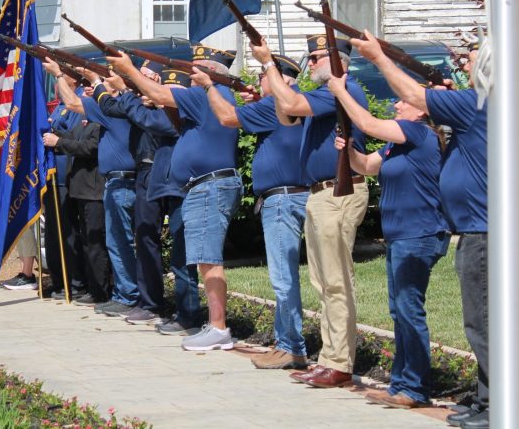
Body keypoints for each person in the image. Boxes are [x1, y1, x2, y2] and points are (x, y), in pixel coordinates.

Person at [351, 32, 519, 429]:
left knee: (483, 322)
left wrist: (378, 57)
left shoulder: (481, 104)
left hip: (486, 228)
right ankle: (487, 402)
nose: (465, 62)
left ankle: (501, 408)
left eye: (472, 57)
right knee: (484, 318)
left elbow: (415, 97)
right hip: (483, 226)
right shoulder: (495, 106)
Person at [253, 35, 369, 389]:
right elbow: (287, 114)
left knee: (336, 282)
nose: (310, 62)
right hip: (321, 192)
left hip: (340, 190)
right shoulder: (327, 93)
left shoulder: (339, 90)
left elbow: (291, 102)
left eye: (317, 56)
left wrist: (270, 64)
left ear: (337, 61)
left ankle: (339, 362)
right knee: (324, 282)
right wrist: (273, 79)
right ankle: (329, 358)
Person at [110, 45, 242, 352]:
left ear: (212, 73)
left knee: (208, 260)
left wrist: (128, 72)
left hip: (209, 185)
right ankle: (214, 324)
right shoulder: (214, 98)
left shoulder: (206, 96)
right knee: (205, 259)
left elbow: (157, 97)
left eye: (197, 68)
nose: (191, 74)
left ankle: (218, 327)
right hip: (206, 184)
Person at [328, 72, 448, 409]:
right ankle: (401, 385)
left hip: (419, 233)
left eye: (403, 101)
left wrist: (341, 91)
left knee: (409, 310)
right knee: (399, 310)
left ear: (421, 110)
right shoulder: (398, 142)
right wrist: (349, 151)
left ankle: (415, 388)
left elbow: (366, 121)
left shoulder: (416, 132)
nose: (396, 104)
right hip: (401, 235)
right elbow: (367, 166)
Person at [196, 51, 310, 370]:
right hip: (294, 196)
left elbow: (228, 118)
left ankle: (290, 346)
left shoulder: (277, 102)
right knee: (287, 275)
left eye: (262, 76)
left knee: (283, 277)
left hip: (282, 200)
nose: (258, 81)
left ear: (281, 79)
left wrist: (208, 87)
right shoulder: (292, 101)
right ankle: (289, 343)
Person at [48, 59, 139, 316]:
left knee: (115, 243)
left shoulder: (114, 109)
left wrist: (59, 73)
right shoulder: (109, 108)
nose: (91, 89)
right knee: (111, 242)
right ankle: (122, 294)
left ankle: (123, 294)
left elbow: (73, 105)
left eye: (97, 85)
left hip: (114, 183)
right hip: (110, 182)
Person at [96, 59, 170, 325]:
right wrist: (96, 83)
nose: (141, 81)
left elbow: (134, 113)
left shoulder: (159, 107)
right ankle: (147, 300)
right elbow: (110, 106)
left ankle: (153, 303)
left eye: (148, 76)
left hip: (155, 172)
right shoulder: (139, 103)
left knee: (149, 237)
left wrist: (126, 91)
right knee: (144, 237)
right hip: (144, 173)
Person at [42, 67, 108, 304]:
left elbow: (84, 143)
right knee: (57, 233)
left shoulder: (85, 104)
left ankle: (81, 284)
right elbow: (69, 132)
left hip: (75, 180)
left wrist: (58, 140)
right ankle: (63, 281)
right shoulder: (64, 104)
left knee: (78, 236)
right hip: (64, 178)